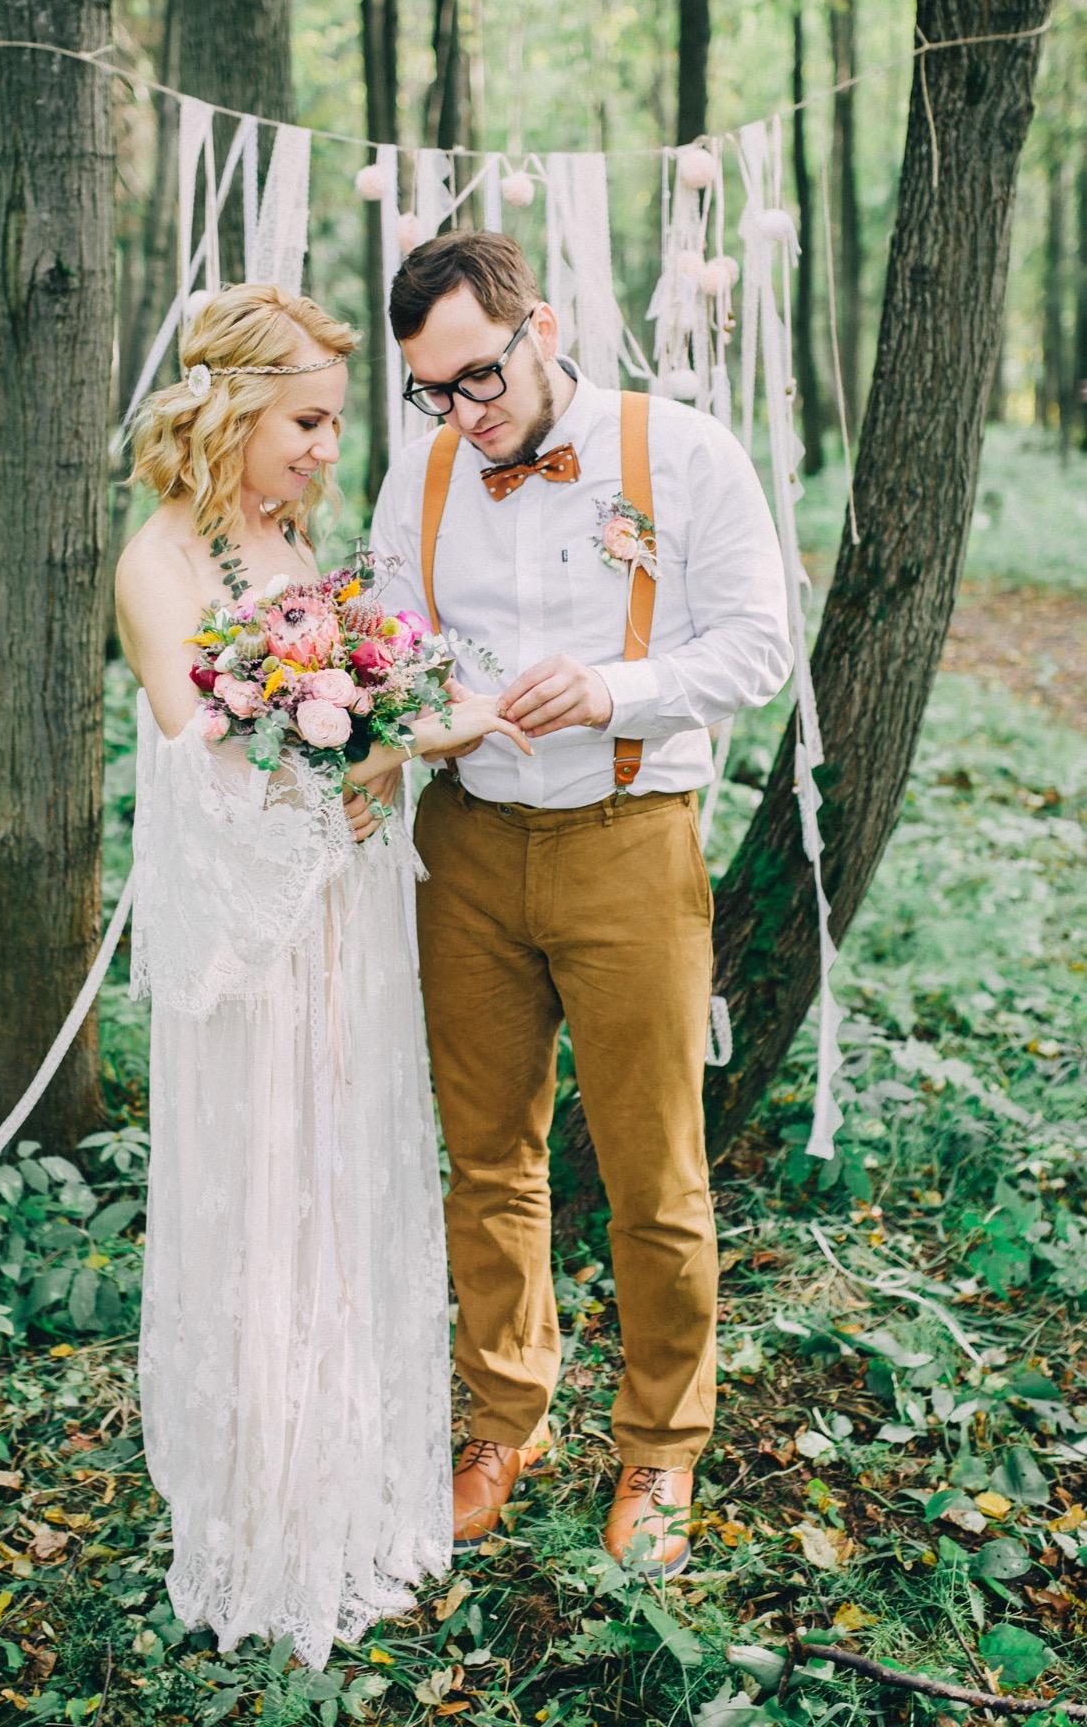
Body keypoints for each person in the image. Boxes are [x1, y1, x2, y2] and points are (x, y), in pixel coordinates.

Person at [113, 282, 530, 1670]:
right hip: (258, 948)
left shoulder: (293, 543)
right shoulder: (161, 564)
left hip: (346, 929)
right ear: (227, 411)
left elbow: (340, 718)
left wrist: (390, 743)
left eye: (334, 423)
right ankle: (267, 1515)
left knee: (346, 1186)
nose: (323, 449)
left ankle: (351, 1487)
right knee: (271, 1194)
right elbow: (201, 768)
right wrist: (377, 748)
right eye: (304, 421)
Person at [367, 232, 793, 1579]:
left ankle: (661, 1445)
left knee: (652, 1172)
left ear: (540, 328)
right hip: (466, 848)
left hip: (628, 841)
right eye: (433, 390)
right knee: (488, 1158)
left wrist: (617, 690)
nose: (463, 412)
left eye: (480, 377)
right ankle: (505, 1422)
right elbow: (389, 640)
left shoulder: (684, 453)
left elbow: (760, 648)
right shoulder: (420, 472)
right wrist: (418, 701)